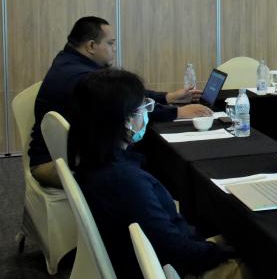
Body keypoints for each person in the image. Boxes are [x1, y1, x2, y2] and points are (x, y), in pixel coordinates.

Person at [68, 69, 252, 279]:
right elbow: (174, 249)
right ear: (124, 120)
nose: (147, 113)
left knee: (247, 241)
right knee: (276, 269)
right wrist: (224, 253)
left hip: (153, 277)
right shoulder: (124, 181)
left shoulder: (95, 163)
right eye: (142, 108)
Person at [28, 16, 210, 188]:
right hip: (55, 164)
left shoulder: (69, 61)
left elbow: (123, 92)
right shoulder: (80, 77)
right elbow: (124, 103)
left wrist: (168, 97)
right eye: (110, 43)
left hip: (63, 153)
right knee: (139, 164)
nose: (114, 48)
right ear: (91, 46)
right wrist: (177, 112)